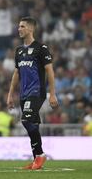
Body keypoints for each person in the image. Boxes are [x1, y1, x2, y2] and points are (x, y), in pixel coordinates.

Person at [7, 17, 59, 170]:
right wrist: (10, 95)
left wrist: (53, 93)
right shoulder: (19, 51)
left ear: (30, 29)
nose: (19, 29)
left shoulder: (41, 48)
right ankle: (36, 158)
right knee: (32, 123)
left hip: (37, 91)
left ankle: (40, 155)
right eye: (19, 26)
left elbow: (49, 70)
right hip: (24, 94)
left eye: (22, 26)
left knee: (26, 120)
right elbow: (16, 73)